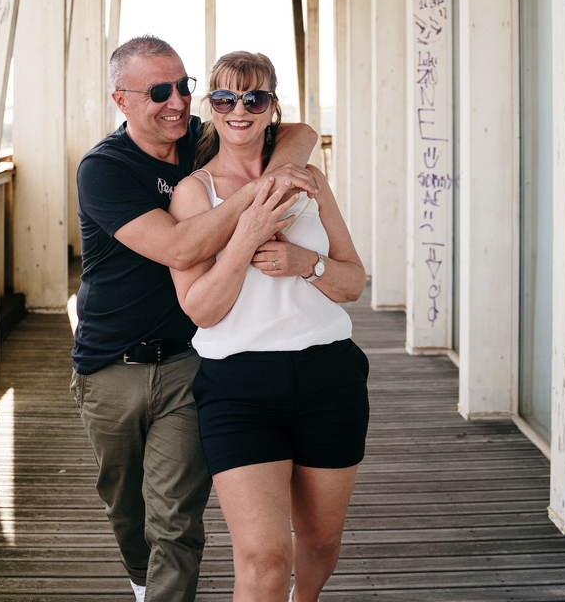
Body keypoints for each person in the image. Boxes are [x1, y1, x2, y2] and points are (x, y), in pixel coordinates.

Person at [71, 35, 319, 602]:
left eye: (184, 87)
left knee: (177, 518)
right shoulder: (104, 171)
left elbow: (299, 134)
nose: (177, 102)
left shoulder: (202, 141)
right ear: (122, 100)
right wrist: (260, 192)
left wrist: (271, 173)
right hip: (110, 367)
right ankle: (142, 581)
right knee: (125, 507)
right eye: (160, 91)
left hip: (189, 359)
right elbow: (180, 249)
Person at [168, 51, 369, 602]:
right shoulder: (195, 193)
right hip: (239, 386)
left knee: (321, 543)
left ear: (272, 107)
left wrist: (307, 264)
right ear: (210, 108)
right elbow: (201, 309)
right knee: (263, 556)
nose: (240, 109)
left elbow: (353, 283)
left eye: (254, 98)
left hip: (328, 375)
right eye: (226, 98)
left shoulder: (308, 180)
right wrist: (248, 233)